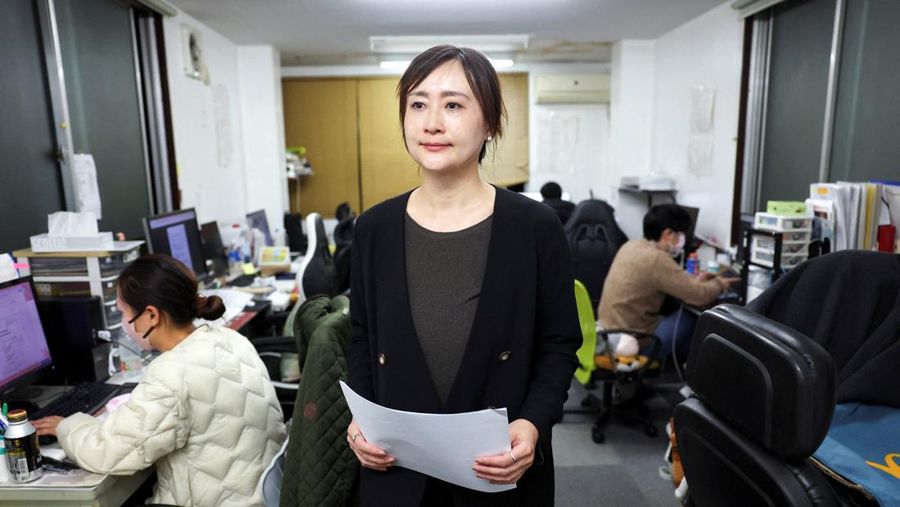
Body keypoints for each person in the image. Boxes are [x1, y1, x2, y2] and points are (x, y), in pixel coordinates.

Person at [345, 45, 580, 506]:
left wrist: (532, 423)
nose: (432, 122)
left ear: (490, 123)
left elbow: (558, 345)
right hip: (396, 470)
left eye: (453, 104)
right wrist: (360, 421)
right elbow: (361, 338)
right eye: (418, 104)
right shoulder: (374, 228)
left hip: (495, 471)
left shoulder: (534, 227)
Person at [32, 254, 286, 507]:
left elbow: (108, 453)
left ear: (151, 315)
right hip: (262, 495)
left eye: (123, 312)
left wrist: (66, 427)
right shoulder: (231, 339)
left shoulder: (171, 373)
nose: (123, 323)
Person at [597, 204, 739, 360]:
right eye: (680, 235)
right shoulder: (657, 259)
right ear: (667, 234)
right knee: (694, 314)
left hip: (607, 336)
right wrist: (719, 284)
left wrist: (694, 280)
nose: (682, 240)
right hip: (633, 345)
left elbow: (666, 280)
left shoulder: (631, 246)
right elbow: (700, 295)